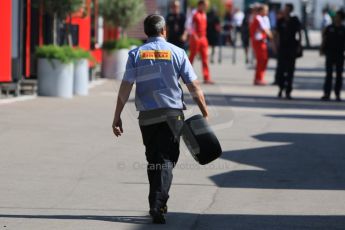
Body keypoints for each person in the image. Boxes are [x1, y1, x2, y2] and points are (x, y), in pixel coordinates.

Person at [112, 14, 209, 224]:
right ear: (164, 30)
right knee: (166, 160)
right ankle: (158, 204)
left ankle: (156, 202)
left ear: (146, 32)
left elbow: (125, 86)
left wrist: (117, 116)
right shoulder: (178, 52)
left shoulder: (136, 54)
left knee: (154, 159)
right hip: (173, 115)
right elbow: (194, 86)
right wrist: (205, 112)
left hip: (147, 118)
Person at [275, 3, 302, 99]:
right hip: (282, 48)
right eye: (284, 9)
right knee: (281, 69)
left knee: (290, 70)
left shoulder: (295, 20)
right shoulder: (280, 20)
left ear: (290, 10)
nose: (285, 11)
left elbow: (299, 33)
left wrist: (299, 45)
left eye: (287, 9)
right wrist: (275, 45)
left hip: (292, 48)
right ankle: (281, 88)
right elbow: (277, 34)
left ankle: (288, 91)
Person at [320, 10, 345, 102]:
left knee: (339, 75)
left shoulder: (343, 29)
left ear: (341, 19)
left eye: (338, 17)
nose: (336, 18)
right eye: (336, 16)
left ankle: (337, 93)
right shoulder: (329, 27)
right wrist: (321, 49)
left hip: (339, 54)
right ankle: (327, 93)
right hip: (330, 54)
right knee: (328, 74)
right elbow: (324, 39)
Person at [189, 0, 214, 84]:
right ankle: (186, 75)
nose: (206, 7)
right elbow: (190, 25)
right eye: (205, 5)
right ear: (200, 5)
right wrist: (194, 35)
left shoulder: (204, 14)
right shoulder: (195, 14)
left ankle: (207, 77)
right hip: (196, 37)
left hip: (203, 38)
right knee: (192, 57)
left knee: (205, 58)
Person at [250, 4, 272, 85]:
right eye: (265, 10)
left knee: (263, 60)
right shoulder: (258, 18)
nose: (267, 12)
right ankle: (258, 78)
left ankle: (259, 77)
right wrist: (272, 38)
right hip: (258, 42)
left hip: (262, 41)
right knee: (261, 60)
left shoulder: (263, 18)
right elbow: (265, 29)